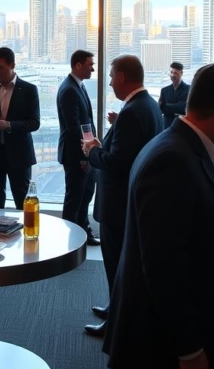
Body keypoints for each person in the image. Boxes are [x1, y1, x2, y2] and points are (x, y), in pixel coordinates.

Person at [104, 62, 214, 369]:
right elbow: (163, 266)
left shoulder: (186, 150)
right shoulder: (172, 160)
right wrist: (189, 349)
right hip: (165, 345)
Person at [81, 54, 163, 338]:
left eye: (112, 75)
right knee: (122, 265)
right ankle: (116, 306)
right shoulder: (150, 105)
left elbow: (118, 162)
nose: (110, 81)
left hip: (118, 204)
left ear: (122, 77)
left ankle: (117, 323)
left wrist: (92, 151)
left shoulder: (130, 112)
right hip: (132, 200)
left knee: (117, 264)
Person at [0, 47, 41, 209]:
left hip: (19, 154)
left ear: (12, 65)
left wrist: (8, 125)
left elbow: (34, 123)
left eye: (0, 67)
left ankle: (27, 234)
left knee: (22, 202)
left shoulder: (29, 90)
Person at [56, 50, 100, 243]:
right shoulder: (68, 90)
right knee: (74, 199)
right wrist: (84, 157)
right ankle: (70, 240)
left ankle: (83, 233)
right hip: (76, 155)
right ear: (78, 65)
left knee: (85, 196)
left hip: (85, 153)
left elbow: (86, 121)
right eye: (90, 64)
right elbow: (74, 128)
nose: (93, 68)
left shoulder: (78, 86)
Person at [158, 61, 190, 129]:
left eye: (175, 73)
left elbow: (184, 107)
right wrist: (177, 107)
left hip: (182, 126)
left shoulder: (188, 89)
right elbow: (161, 108)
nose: (173, 75)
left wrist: (167, 106)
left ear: (181, 73)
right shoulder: (164, 90)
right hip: (167, 126)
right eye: (171, 72)